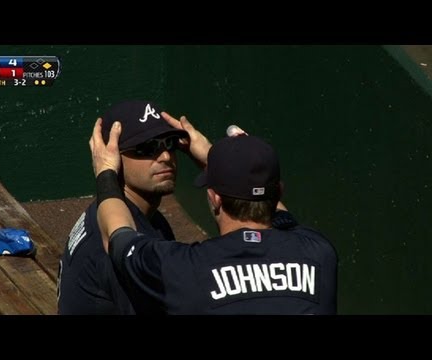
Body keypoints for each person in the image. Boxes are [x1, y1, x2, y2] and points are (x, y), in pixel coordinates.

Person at [90, 113, 338, 315]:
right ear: (279, 192)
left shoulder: (185, 269)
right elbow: (283, 219)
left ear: (214, 198)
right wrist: (237, 162)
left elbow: (118, 236)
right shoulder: (319, 253)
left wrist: (106, 172)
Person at [57, 100, 188, 314]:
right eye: (147, 148)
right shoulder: (110, 244)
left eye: (170, 143)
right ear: (114, 157)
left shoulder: (141, 217)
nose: (165, 157)